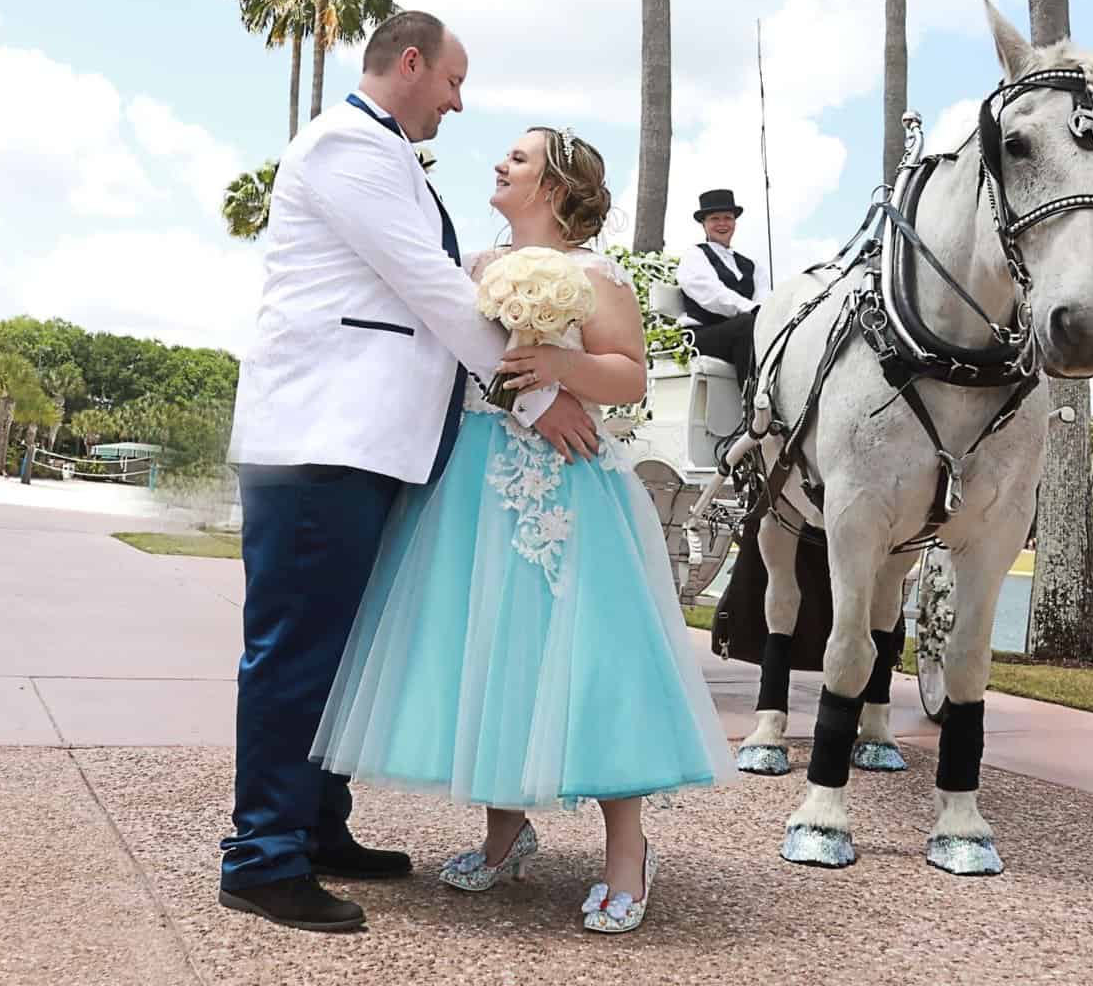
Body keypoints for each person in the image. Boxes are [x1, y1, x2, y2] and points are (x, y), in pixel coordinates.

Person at [220, 11, 602, 934]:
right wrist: (533, 394)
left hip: (364, 444)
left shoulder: (382, 153)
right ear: (412, 61)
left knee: (335, 648)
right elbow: (433, 291)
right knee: (294, 650)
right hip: (323, 439)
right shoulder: (350, 146)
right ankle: (262, 856)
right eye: (453, 83)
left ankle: (318, 827)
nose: (459, 103)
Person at [312, 125, 736, 936]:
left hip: (566, 489)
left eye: (520, 157)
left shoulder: (592, 275)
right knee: (486, 650)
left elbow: (629, 375)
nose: (501, 162)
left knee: (590, 662)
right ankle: (505, 833)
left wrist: (558, 368)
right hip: (470, 485)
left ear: (555, 187)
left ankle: (626, 852)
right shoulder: (470, 269)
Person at [675, 189, 769, 381]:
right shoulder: (694, 255)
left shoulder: (752, 265)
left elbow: (765, 296)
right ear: (704, 224)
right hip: (701, 336)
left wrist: (767, 314)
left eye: (727, 218)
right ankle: (751, 403)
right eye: (715, 218)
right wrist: (752, 310)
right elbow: (713, 295)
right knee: (746, 325)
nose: (722, 224)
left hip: (744, 332)